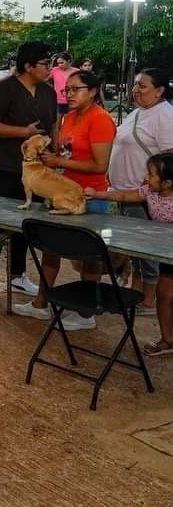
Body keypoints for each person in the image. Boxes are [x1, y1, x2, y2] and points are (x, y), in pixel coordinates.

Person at [12, 70, 116, 330]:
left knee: (89, 256)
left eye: (75, 89)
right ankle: (40, 304)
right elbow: (63, 151)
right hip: (59, 192)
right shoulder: (69, 118)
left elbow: (100, 165)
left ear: (92, 91)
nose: (68, 94)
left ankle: (85, 313)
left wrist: (59, 161)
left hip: (90, 197)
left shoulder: (100, 119)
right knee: (51, 250)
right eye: (66, 90)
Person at [0, 41, 55, 308]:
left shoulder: (48, 92)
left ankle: (18, 274)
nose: (50, 69)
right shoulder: (4, 89)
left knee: (29, 221)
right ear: (28, 65)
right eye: (45, 64)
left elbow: (52, 125)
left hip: (37, 169)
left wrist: (55, 151)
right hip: (4, 164)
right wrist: (21, 132)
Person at [85, 152, 173, 356]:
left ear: (167, 182)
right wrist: (97, 194)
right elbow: (124, 195)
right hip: (167, 256)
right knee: (164, 294)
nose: (146, 177)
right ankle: (167, 339)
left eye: (151, 175)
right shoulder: (150, 192)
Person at [108, 69, 173, 313]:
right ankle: (136, 296)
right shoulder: (137, 112)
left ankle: (147, 302)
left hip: (145, 198)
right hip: (124, 193)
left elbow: (169, 160)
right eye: (135, 85)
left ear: (159, 91)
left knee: (148, 253)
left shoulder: (165, 116)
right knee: (135, 251)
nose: (136, 90)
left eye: (142, 86)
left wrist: (153, 187)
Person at [50, 51, 79, 127]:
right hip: (57, 101)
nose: (59, 65)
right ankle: (57, 138)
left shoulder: (76, 71)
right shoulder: (54, 70)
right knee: (56, 123)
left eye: (62, 62)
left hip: (71, 100)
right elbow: (45, 76)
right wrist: (51, 63)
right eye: (58, 63)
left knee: (69, 123)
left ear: (68, 61)